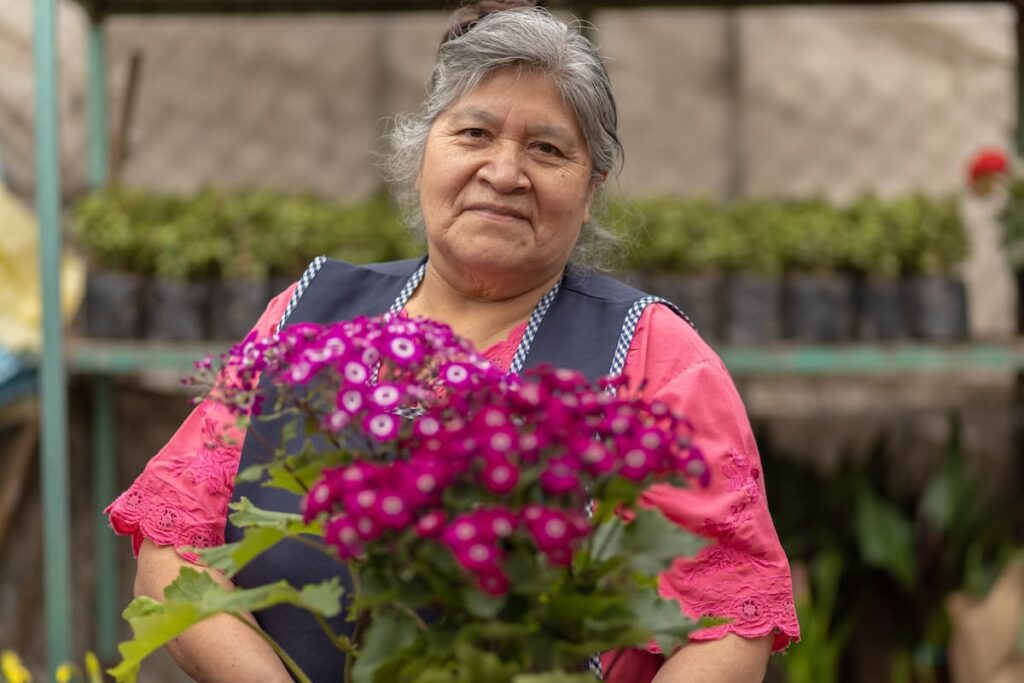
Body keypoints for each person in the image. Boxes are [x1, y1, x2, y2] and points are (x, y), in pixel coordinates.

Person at [106, 3, 799, 681]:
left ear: (590, 192)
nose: (503, 172)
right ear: (420, 152)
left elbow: (731, 621)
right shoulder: (306, 316)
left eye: (547, 148)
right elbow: (174, 547)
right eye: (474, 133)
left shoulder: (656, 355)